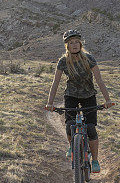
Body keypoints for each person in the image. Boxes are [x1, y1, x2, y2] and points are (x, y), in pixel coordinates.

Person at [45, 30, 114, 173]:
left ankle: (94, 160)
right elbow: (55, 83)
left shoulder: (89, 59)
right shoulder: (63, 61)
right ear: (67, 46)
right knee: (70, 124)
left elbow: (99, 80)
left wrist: (107, 100)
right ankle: (72, 146)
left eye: (76, 42)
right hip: (71, 95)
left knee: (90, 128)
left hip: (89, 96)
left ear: (80, 44)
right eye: (71, 43)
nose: (74, 45)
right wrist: (50, 103)